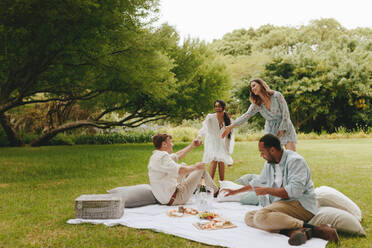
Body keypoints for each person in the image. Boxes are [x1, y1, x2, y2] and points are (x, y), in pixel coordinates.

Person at [222, 134, 338, 246]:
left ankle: (317, 229)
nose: (261, 155)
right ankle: (294, 231)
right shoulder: (270, 164)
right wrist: (235, 191)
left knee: (260, 217)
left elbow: (294, 191)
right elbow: (258, 181)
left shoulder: (295, 161)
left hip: (301, 205)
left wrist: (267, 190)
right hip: (284, 204)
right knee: (249, 217)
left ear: (272, 150)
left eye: (262, 152)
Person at [222, 78, 297, 151]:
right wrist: (230, 127)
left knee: (292, 156)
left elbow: (286, 115)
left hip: (285, 127)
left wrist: (280, 132)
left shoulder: (277, 96)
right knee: (273, 159)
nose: (252, 88)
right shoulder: (257, 104)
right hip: (271, 130)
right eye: (251, 88)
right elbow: (245, 116)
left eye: (254, 85)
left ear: (261, 85)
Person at [148, 133, 219, 206]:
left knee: (183, 165)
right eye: (170, 142)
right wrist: (196, 167)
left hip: (166, 197)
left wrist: (192, 146)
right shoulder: (163, 157)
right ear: (164, 144)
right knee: (200, 169)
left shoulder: (156, 156)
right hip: (176, 198)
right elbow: (181, 170)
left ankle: (202, 187)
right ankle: (217, 192)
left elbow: (177, 156)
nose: (172, 145)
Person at [197, 100, 234, 181]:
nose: (217, 108)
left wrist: (228, 153)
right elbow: (204, 127)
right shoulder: (210, 117)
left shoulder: (228, 119)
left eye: (219, 106)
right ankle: (211, 185)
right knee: (214, 159)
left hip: (222, 142)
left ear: (223, 107)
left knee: (221, 161)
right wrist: (199, 136)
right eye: (216, 106)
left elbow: (229, 137)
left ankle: (222, 184)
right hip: (211, 141)